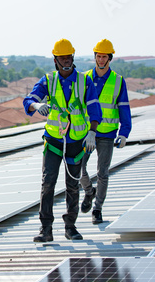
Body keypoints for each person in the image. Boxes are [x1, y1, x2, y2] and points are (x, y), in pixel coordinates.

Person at [23, 38, 102, 242]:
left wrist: (92, 131)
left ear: (73, 58)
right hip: (54, 142)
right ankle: (46, 229)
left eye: (68, 57)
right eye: (62, 58)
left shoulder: (84, 82)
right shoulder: (48, 81)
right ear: (55, 60)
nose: (66, 61)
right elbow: (29, 99)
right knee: (47, 184)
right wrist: (35, 106)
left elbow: (95, 109)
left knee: (72, 185)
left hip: (76, 142)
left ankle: (70, 227)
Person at [79, 39, 132, 224]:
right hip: (86, 133)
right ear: (95, 57)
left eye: (104, 57)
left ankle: (97, 209)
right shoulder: (83, 78)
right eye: (98, 56)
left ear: (110, 58)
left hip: (108, 134)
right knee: (78, 168)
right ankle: (88, 192)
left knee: (103, 173)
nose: (101, 60)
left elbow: (124, 107)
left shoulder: (118, 81)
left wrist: (124, 133)